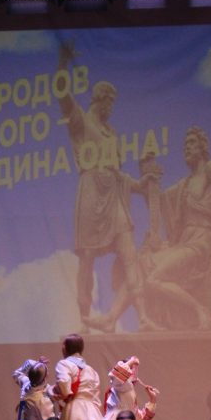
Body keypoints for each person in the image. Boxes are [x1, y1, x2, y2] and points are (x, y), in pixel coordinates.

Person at [55, 42, 157, 332]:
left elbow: (118, 174)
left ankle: (144, 317)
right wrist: (63, 63)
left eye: (113, 102)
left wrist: (139, 185)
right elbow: (63, 95)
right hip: (90, 194)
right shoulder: (81, 122)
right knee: (86, 259)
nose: (111, 107)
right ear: (99, 100)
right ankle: (84, 320)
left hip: (114, 199)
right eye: (108, 102)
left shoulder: (111, 133)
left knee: (129, 253)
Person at [144, 126, 211, 330]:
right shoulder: (184, 185)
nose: (187, 148)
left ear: (202, 147)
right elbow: (160, 200)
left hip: (203, 243)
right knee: (144, 262)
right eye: (185, 145)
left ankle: (199, 309)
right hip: (185, 242)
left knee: (153, 279)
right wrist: (148, 177)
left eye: (191, 143)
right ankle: (148, 320)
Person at [102, 356, 159, 420]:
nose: (134, 373)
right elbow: (116, 377)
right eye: (131, 369)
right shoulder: (122, 386)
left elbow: (139, 419)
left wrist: (152, 399)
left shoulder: (127, 389)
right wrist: (132, 361)